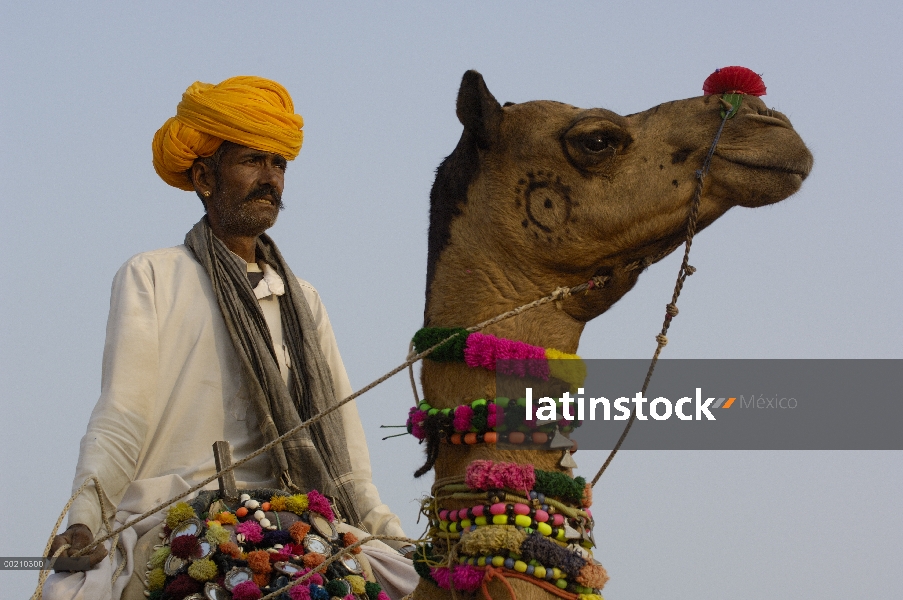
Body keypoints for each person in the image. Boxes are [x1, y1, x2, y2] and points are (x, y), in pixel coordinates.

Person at [44, 76, 417, 600]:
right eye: (252, 161)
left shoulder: (303, 302)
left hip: (306, 523)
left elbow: (345, 445)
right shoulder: (152, 276)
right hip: (174, 520)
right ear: (204, 176)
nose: (270, 179)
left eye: (279, 164)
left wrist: (386, 531)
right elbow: (121, 417)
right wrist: (85, 518)